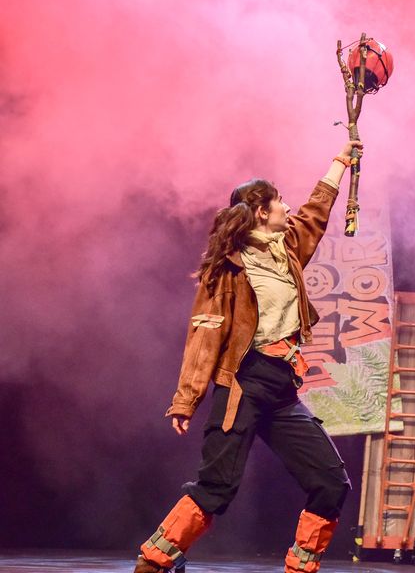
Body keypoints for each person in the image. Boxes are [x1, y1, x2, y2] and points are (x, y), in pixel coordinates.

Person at [133, 141, 363, 573]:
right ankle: (156, 560)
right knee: (217, 487)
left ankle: (302, 567)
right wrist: (187, 399)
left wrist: (340, 163)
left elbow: (315, 211)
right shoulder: (228, 269)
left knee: (331, 481)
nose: (287, 206)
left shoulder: (287, 250)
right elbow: (203, 337)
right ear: (261, 211)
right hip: (242, 383)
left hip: (280, 389)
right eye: (279, 201)